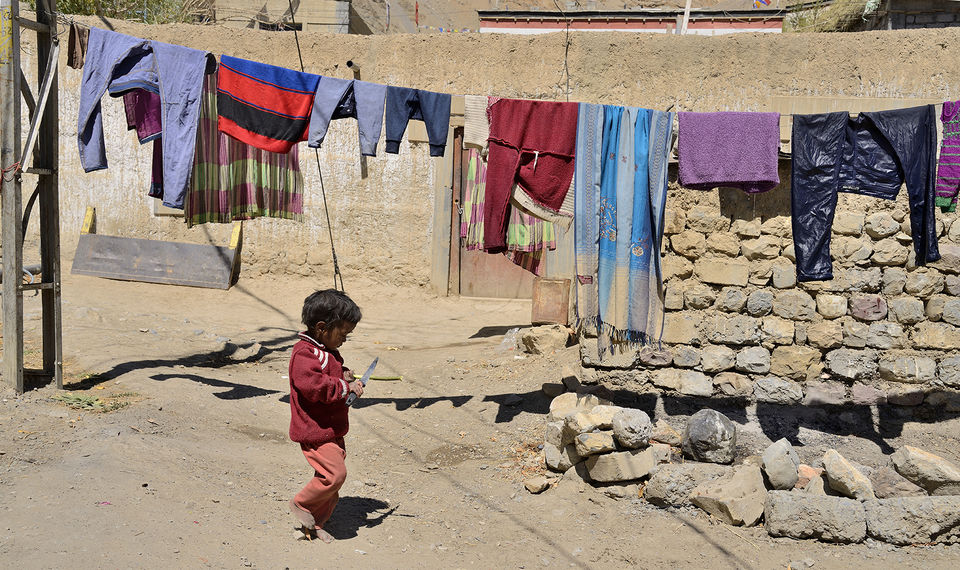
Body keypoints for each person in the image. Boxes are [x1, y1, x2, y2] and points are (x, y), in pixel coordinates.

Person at [287, 289, 363, 542]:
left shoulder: (327, 350)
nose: (344, 340)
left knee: (332, 487)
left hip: (332, 428)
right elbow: (313, 386)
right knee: (334, 475)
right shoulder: (304, 354)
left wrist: (345, 376)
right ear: (321, 327)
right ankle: (300, 503)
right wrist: (343, 387)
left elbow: (332, 372)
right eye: (342, 334)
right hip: (315, 430)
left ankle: (315, 525)